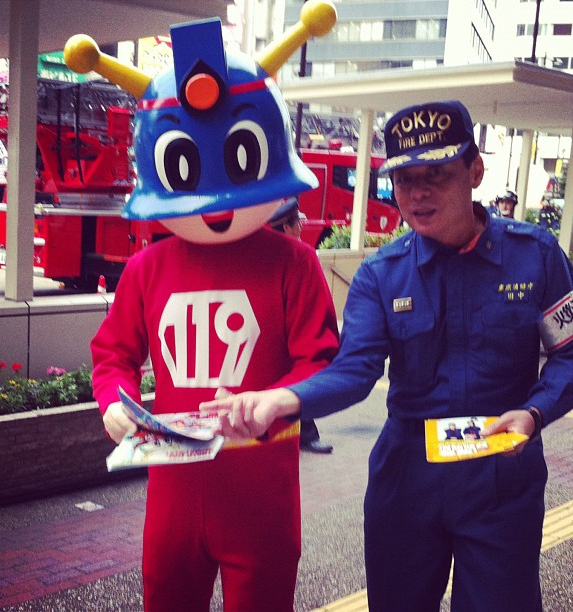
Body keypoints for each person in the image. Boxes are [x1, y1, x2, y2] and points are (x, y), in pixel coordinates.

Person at [202, 99, 573, 611]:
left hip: (501, 479)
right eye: (403, 179)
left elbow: (569, 356)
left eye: (436, 174)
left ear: (476, 171)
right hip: (407, 482)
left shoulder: (537, 256)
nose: (416, 193)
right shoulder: (382, 274)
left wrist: (534, 414)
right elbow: (354, 370)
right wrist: (279, 401)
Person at [71, 4, 340, 611]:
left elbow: (322, 361)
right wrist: (114, 403)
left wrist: (276, 400)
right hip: (172, 488)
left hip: (262, 486)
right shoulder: (146, 269)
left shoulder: (293, 263)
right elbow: (112, 355)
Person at [269, 197, 334, 454]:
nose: (300, 228)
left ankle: (305, 433)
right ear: (285, 226)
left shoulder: (298, 255)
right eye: (297, 223)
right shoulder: (290, 256)